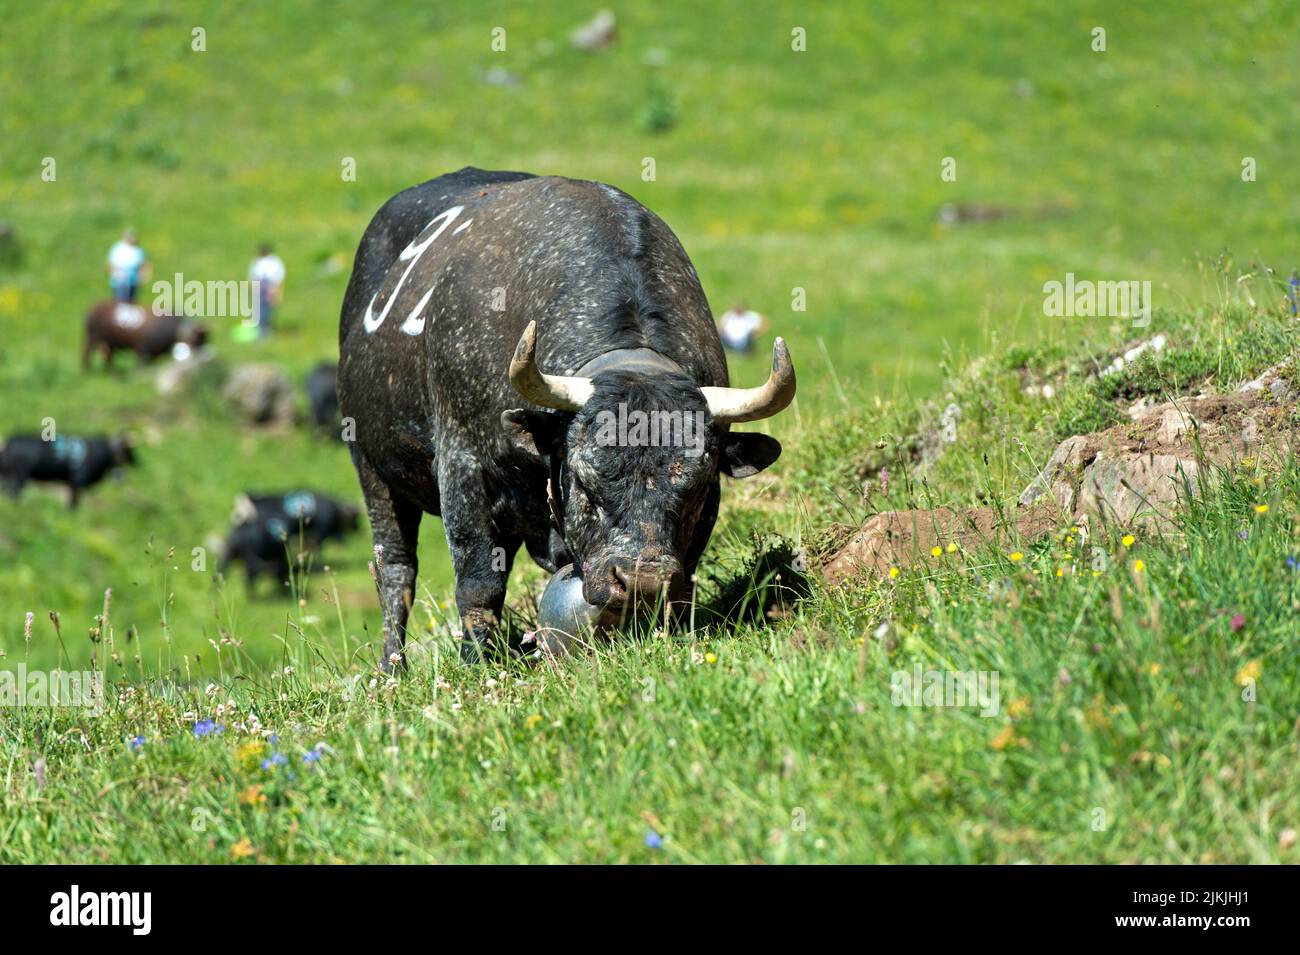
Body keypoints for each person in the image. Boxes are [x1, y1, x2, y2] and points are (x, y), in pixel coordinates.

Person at [249, 243, 286, 338]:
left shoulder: (274, 261)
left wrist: (276, 288)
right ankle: (259, 330)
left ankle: (266, 331)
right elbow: (253, 274)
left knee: (267, 309)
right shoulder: (257, 261)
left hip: (270, 286)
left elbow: (278, 275)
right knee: (258, 309)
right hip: (259, 285)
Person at [106, 229, 149, 303]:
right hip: (119, 280)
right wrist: (116, 274)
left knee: (131, 301)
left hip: (132, 281)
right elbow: (111, 264)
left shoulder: (137, 250)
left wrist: (142, 277)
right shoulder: (118, 249)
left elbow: (143, 265)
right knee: (119, 301)